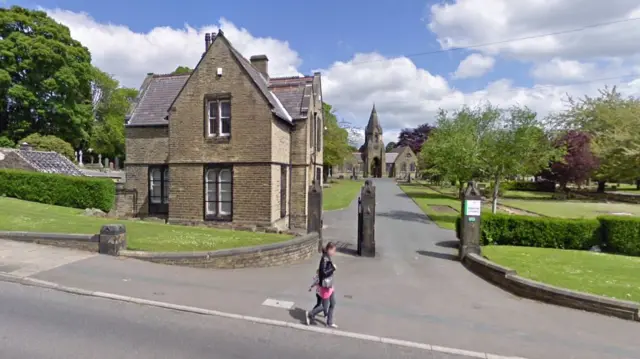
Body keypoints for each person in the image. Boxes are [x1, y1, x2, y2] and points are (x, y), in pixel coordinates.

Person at [306, 242, 337, 328]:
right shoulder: (324, 259)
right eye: (334, 251)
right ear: (329, 249)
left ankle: (329, 322)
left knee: (333, 303)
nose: (334, 253)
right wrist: (333, 268)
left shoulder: (327, 257)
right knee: (324, 306)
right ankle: (310, 313)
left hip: (330, 285)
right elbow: (323, 273)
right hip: (325, 286)